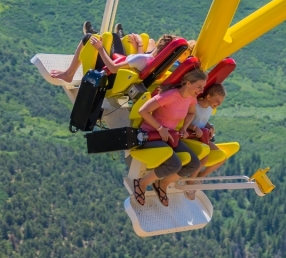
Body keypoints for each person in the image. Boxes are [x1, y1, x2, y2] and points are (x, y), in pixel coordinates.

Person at [133, 68, 207, 207]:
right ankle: (142, 182)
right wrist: (160, 128)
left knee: (194, 164)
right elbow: (143, 111)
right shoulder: (170, 95)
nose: (201, 90)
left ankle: (162, 183)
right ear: (188, 83)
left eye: (202, 87)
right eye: (199, 86)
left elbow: (191, 113)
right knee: (175, 164)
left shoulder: (191, 98)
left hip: (169, 137)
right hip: (150, 136)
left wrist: (184, 127)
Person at [49, 32, 172, 82]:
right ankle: (108, 37)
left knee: (89, 37)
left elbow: (113, 68)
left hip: (110, 75)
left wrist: (100, 48)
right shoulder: (157, 63)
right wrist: (139, 45)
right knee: (115, 37)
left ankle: (69, 74)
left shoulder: (144, 59)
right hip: (125, 72)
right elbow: (141, 62)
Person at [186, 83, 227, 179]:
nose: (219, 104)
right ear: (208, 97)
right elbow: (183, 121)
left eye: (220, 102)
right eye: (217, 101)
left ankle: (199, 177)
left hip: (201, 138)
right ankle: (190, 182)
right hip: (190, 138)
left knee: (222, 158)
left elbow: (202, 120)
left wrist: (210, 126)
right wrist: (195, 128)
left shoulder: (209, 108)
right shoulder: (194, 106)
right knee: (204, 159)